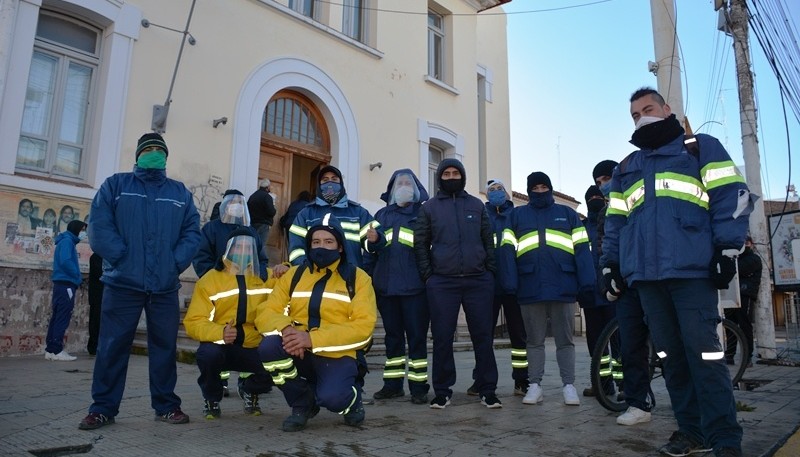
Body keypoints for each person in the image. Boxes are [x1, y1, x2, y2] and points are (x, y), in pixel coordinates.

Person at [601, 87, 750, 457]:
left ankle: (724, 439)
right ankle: (691, 432)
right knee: (671, 360)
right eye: (635, 114)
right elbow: (616, 221)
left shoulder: (699, 148)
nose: (642, 117)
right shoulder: (627, 168)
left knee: (706, 357)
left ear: (667, 109)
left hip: (692, 273)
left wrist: (726, 249)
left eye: (648, 109)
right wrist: (610, 264)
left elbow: (732, 196)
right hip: (647, 280)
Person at [79, 132, 201, 431]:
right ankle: (103, 408)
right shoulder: (116, 186)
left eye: (159, 149)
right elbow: (99, 226)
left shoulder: (179, 193)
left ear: (166, 157)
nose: (154, 153)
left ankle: (167, 405)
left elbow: (192, 231)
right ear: (137, 155)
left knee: (164, 348)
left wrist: (174, 264)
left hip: (164, 286)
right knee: (112, 347)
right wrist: (120, 257)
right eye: (148, 149)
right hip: (122, 283)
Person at [256, 213, 377, 432]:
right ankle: (302, 402)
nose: (322, 247)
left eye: (329, 241)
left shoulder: (358, 278)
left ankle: (353, 399)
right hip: (298, 348)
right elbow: (266, 311)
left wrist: (311, 339)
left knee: (333, 399)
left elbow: (363, 328)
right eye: (316, 241)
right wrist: (286, 330)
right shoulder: (293, 275)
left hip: (338, 355)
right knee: (269, 348)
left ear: (340, 246)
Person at [499, 171, 594, 407]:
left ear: (550, 188)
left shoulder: (568, 214)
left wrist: (587, 282)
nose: (540, 191)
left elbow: (582, 251)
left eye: (544, 187)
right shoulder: (517, 216)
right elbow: (506, 251)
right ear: (529, 190)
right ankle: (535, 385)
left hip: (563, 284)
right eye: (536, 188)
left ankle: (568, 385)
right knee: (534, 341)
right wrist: (510, 281)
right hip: (530, 285)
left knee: (565, 340)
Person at [413, 158, 501, 409]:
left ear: (462, 176)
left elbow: (488, 240)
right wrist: (429, 276)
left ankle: (487, 389)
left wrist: (489, 272)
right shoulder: (429, 208)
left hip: (478, 281)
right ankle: (442, 390)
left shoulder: (476, 205)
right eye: (446, 173)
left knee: (483, 337)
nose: (451, 177)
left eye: (455, 173)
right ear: (439, 177)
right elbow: (420, 243)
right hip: (442, 282)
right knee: (442, 338)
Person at [184, 229, 277, 419]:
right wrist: (219, 333)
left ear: (257, 250)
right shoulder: (210, 279)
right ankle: (212, 398)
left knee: (280, 360)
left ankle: (251, 390)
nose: (243, 252)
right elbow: (194, 322)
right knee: (207, 354)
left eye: (248, 247)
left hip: (253, 345)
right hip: (222, 346)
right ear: (228, 248)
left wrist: (284, 267)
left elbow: (296, 280)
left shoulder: (267, 278)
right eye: (238, 246)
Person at [592, 159, 654, 426]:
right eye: (598, 182)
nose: (603, 185)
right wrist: (609, 273)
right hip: (626, 281)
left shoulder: (645, 197)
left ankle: (686, 400)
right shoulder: (606, 214)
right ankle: (637, 402)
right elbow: (607, 244)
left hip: (653, 277)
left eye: (606, 179)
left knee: (667, 342)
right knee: (631, 345)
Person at [365, 169, 431, 404]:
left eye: (407, 182)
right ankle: (392, 385)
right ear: (392, 189)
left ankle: (418, 387)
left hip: (415, 289)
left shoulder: (424, 213)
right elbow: (370, 249)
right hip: (386, 288)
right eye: (399, 183)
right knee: (392, 339)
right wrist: (372, 244)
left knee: (416, 338)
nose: (403, 186)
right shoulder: (381, 215)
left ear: (415, 188)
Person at [471, 179, 529, 397]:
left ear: (506, 193)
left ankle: (522, 380)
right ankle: (481, 380)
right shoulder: (480, 216)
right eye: (491, 190)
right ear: (486, 195)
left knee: (518, 336)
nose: (496, 193)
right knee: (484, 335)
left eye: (499, 189)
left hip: (514, 284)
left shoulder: (516, 216)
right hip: (487, 284)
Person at [287, 165, 382, 269]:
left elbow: (374, 245)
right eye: (325, 180)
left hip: (349, 276)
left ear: (341, 183)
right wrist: (305, 267)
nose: (330, 183)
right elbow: (296, 247)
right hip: (315, 277)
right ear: (319, 185)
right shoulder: (306, 214)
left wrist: (376, 239)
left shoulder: (357, 212)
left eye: (334, 179)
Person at [580, 184, 617, 397]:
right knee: (596, 345)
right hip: (589, 295)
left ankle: (626, 386)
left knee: (619, 342)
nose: (595, 198)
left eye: (598, 195)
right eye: (591, 196)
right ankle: (602, 385)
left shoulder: (612, 220)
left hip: (612, 292)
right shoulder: (582, 227)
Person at [193, 189, 267, 281]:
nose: (238, 205)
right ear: (225, 205)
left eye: (240, 202)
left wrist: (260, 277)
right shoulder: (212, 228)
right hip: (218, 285)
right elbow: (201, 257)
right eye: (233, 202)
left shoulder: (251, 231)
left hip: (246, 286)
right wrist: (212, 278)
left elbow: (261, 259)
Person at [44, 220, 87, 361]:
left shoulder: (66, 241)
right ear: (76, 229)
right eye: (82, 230)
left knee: (57, 316)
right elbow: (66, 261)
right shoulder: (67, 242)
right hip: (66, 283)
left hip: (61, 283)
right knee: (62, 316)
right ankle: (56, 350)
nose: (84, 233)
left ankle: (51, 349)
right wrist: (77, 276)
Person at [724, 235, 761, 366]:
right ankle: (730, 355)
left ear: (751, 244)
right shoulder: (735, 257)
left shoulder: (754, 259)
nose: (744, 245)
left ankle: (747, 356)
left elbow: (737, 268)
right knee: (730, 325)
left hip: (745, 295)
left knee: (744, 325)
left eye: (747, 242)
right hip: (731, 294)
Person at [247, 178, 277, 251]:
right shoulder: (267, 197)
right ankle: (261, 262)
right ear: (267, 187)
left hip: (252, 223)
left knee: (253, 244)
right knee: (261, 245)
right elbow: (271, 212)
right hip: (263, 224)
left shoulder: (252, 196)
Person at [86, 252, 104, 356]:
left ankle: (97, 346)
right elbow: (100, 274)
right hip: (97, 296)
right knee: (95, 322)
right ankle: (93, 346)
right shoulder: (96, 257)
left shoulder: (101, 257)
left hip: (100, 296)